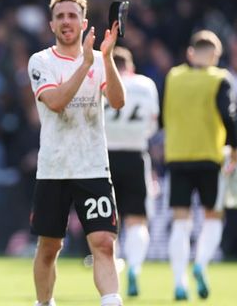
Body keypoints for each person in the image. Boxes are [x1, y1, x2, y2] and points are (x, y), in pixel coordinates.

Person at [27, 0, 125, 306]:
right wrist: (85, 63)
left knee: (103, 242)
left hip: (93, 165)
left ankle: (111, 300)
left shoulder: (99, 60)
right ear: (51, 24)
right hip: (54, 167)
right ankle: (44, 303)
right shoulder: (40, 61)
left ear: (84, 22)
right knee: (50, 246)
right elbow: (55, 103)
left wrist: (106, 57)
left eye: (72, 16)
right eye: (61, 17)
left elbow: (119, 102)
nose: (67, 21)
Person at [163, 30, 237, 301]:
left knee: (180, 222)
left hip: (177, 157)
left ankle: (178, 283)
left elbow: (163, 117)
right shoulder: (219, 78)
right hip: (209, 157)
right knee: (214, 216)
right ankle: (200, 263)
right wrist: (236, 146)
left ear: (191, 52)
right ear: (215, 55)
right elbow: (228, 115)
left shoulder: (173, 77)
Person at [103, 46, 158, 298]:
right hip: (136, 154)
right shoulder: (146, 85)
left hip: (104, 157)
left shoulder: (102, 80)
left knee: (108, 221)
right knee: (137, 218)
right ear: (131, 66)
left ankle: (113, 268)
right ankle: (134, 268)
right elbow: (152, 124)